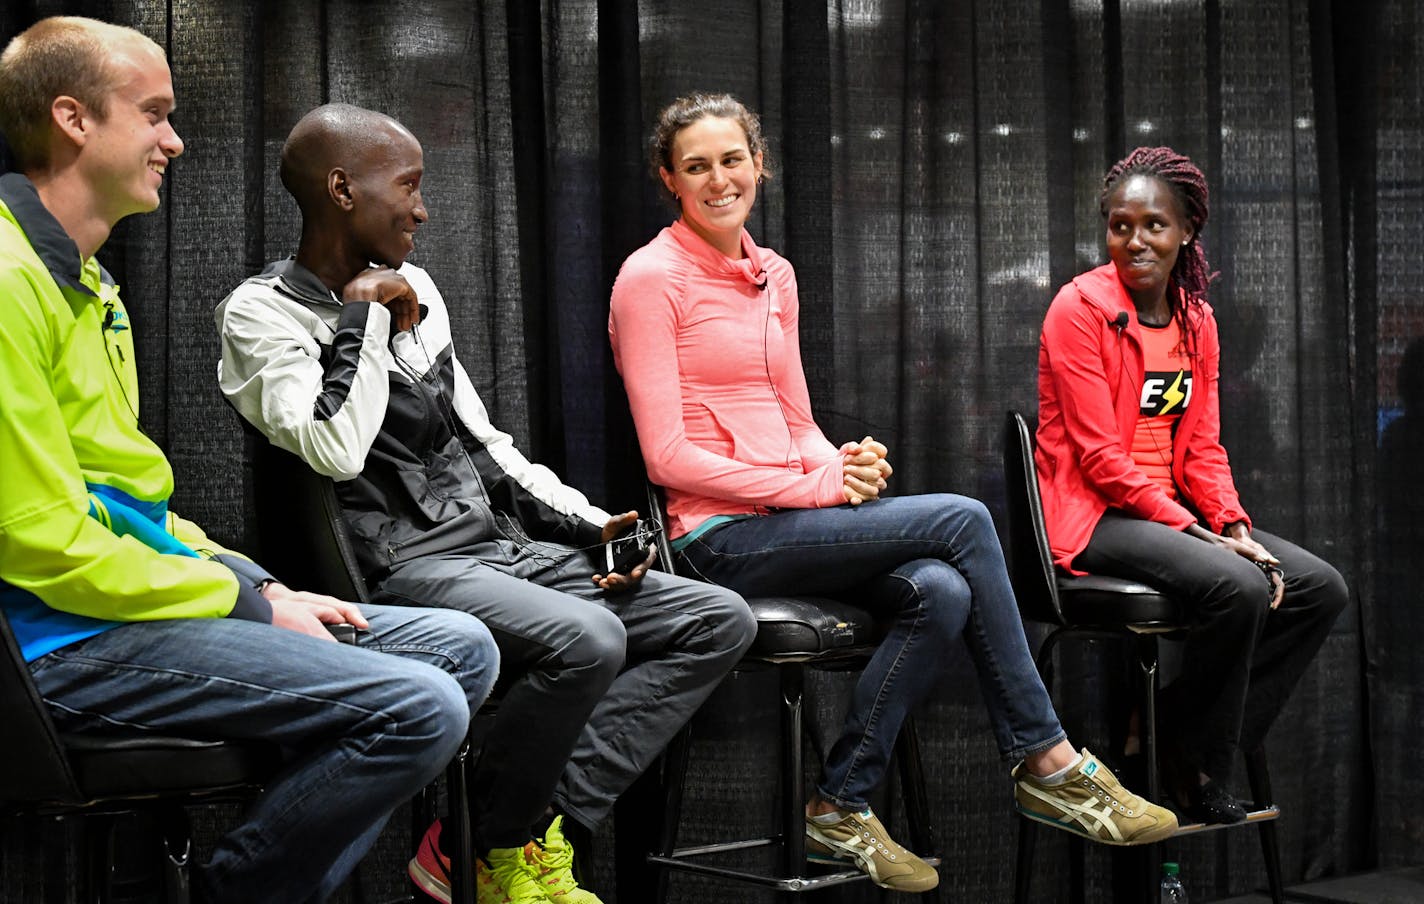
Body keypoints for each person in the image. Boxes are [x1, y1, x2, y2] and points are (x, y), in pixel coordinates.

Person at [608, 92, 1178, 895]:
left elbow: (792, 417)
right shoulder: (649, 278)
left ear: (759, 164)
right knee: (963, 518)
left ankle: (838, 803)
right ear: (671, 179)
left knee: (941, 591)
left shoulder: (776, 275)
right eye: (696, 166)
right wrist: (817, 483)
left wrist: (843, 465)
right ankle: (1047, 757)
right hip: (718, 544)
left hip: (794, 521)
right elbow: (668, 458)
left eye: (732, 159)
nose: (718, 179)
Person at [0, 17, 499, 904]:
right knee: (420, 706)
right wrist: (243, 605)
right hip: (55, 642)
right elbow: (40, 541)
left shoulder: (87, 280)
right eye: (154, 114)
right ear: (74, 119)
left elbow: (128, 506)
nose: (174, 140)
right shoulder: (7, 279)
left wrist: (259, 585)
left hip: (127, 607)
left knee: (461, 651)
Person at [215, 103, 757, 904]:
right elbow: (333, 446)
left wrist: (590, 522)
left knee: (717, 619)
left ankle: (524, 829)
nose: (423, 209)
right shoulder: (258, 314)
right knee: (589, 639)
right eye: (409, 186)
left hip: (497, 548)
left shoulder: (419, 286)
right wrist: (363, 314)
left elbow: (481, 441)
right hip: (401, 570)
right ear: (340, 189)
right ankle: (498, 844)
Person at [1034, 146, 1347, 824]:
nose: (1136, 240)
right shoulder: (1078, 308)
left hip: (1170, 513)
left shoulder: (1195, 321)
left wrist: (1232, 527)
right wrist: (1205, 539)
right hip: (1095, 515)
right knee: (1235, 586)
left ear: (1185, 233)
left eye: (1154, 225)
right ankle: (1200, 765)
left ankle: (1171, 731)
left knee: (1319, 588)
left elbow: (1201, 447)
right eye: (1121, 225)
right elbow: (1098, 460)